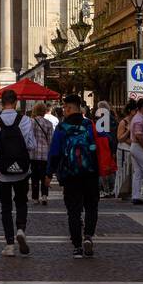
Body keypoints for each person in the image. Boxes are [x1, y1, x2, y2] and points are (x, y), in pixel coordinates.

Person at [47, 92, 100, 257]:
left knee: (74, 211)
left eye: (64, 107)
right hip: (90, 173)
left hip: (70, 176)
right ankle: (89, 236)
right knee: (91, 207)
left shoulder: (62, 128)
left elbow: (54, 152)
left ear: (70, 108)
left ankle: (77, 246)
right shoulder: (89, 125)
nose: (63, 110)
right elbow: (97, 147)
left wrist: (49, 173)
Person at [0, 88, 36, 256]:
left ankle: (9, 245)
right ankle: (20, 228)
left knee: (5, 207)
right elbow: (31, 145)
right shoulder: (26, 120)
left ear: (1, 103)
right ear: (15, 102)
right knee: (21, 202)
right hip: (21, 170)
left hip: (2, 171)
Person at [29, 101, 54, 204]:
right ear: (44, 111)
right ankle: (44, 196)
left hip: (33, 154)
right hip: (45, 154)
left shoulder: (31, 122)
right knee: (44, 176)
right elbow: (51, 140)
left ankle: (35, 198)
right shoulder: (49, 124)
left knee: (34, 176)